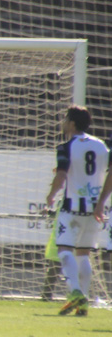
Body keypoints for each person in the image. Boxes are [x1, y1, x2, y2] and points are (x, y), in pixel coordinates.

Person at [48, 105, 110, 317]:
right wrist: (102, 201)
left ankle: (75, 292)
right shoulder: (102, 146)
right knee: (83, 253)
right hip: (94, 209)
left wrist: (50, 195)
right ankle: (82, 302)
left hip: (72, 207)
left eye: (66, 119)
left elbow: (62, 175)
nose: (63, 123)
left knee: (64, 249)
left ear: (72, 123)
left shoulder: (66, 147)